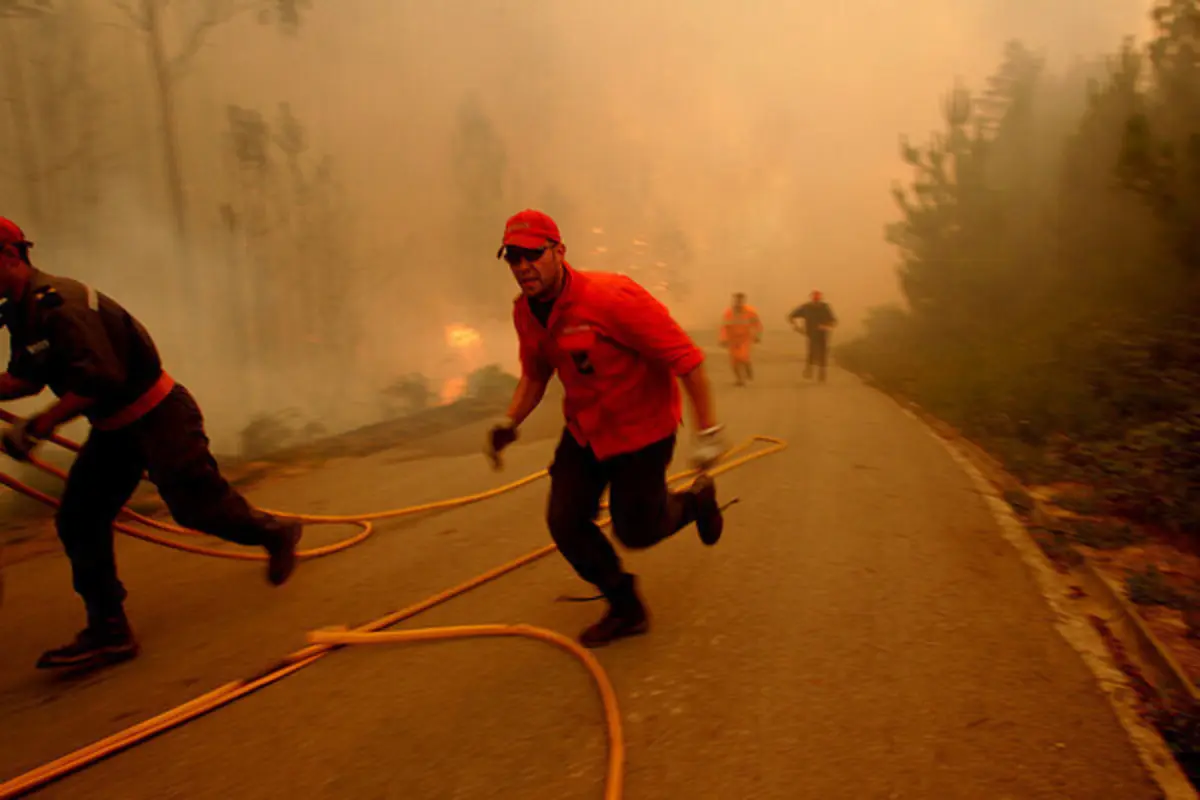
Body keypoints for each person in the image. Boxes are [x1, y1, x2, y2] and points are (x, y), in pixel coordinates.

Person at [0, 217, 303, 671]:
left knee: (196, 509)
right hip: (113, 430)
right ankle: (109, 631)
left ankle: (274, 532)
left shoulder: (61, 304)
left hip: (160, 415)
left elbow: (101, 379)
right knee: (79, 520)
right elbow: (25, 377)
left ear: (10, 256)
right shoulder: (23, 314)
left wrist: (41, 425)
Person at [484, 209, 728, 648]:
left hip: (642, 430)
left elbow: (687, 360)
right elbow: (536, 374)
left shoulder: (612, 298)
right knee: (565, 521)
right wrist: (510, 420)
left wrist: (708, 434)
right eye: (512, 259)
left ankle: (696, 503)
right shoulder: (526, 314)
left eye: (532, 255)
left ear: (558, 251)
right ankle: (625, 606)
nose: (522, 267)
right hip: (586, 430)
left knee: (636, 530)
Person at [786, 289, 837, 381]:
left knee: (823, 352)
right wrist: (796, 326)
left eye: (817, 300)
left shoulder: (824, 307)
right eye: (815, 299)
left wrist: (827, 326)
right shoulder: (807, 307)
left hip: (823, 333)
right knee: (812, 351)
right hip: (812, 333)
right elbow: (791, 316)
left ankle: (821, 372)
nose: (816, 302)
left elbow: (833, 320)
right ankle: (810, 370)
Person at [718, 292, 763, 386]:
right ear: (734, 301)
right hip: (732, 339)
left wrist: (758, 335)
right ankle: (739, 380)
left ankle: (747, 366)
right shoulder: (729, 313)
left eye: (740, 301)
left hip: (745, 338)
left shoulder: (750, 312)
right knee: (734, 361)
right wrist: (723, 339)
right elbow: (724, 327)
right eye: (736, 301)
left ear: (743, 301)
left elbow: (757, 324)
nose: (738, 303)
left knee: (742, 356)